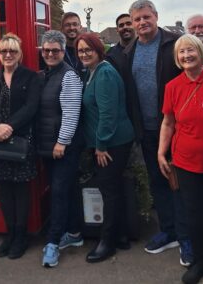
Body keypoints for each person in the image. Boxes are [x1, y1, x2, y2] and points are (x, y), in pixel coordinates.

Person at [122, 0, 190, 264]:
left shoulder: (174, 43)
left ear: (156, 16)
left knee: (180, 185)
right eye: (136, 19)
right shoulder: (129, 51)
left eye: (146, 17)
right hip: (148, 130)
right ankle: (169, 231)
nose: (142, 23)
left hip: (176, 128)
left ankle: (187, 239)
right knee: (158, 184)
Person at [157, 35, 203, 284]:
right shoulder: (172, 87)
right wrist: (161, 152)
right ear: (177, 58)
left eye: (191, 51)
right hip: (184, 161)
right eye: (181, 53)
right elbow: (168, 122)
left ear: (201, 52)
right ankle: (200, 262)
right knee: (193, 214)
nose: (186, 56)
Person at [0, 34, 41, 260]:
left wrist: (9, 127)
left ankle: (21, 236)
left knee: (21, 192)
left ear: (19, 54)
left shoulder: (31, 77)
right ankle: (10, 233)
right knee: (3, 191)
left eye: (12, 51)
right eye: (3, 51)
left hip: (20, 142)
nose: (7, 55)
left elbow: (31, 107)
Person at [77, 32, 134, 263]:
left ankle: (107, 242)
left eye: (88, 49)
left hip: (112, 143)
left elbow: (108, 115)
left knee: (109, 191)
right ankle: (120, 235)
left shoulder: (105, 74)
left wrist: (101, 146)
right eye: (80, 50)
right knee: (114, 188)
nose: (84, 54)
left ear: (99, 50)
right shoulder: (91, 72)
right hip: (107, 141)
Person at [36, 30, 84, 268]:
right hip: (48, 145)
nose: (51, 54)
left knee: (58, 193)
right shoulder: (46, 74)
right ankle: (74, 233)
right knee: (67, 190)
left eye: (55, 50)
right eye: (46, 50)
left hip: (61, 146)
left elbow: (71, 113)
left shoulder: (68, 76)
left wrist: (62, 142)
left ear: (64, 51)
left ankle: (53, 242)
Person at [60, 12, 85, 76]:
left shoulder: (89, 50)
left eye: (75, 24)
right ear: (62, 29)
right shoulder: (56, 52)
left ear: (80, 27)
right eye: (67, 25)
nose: (71, 28)